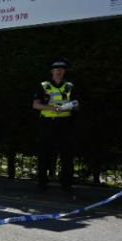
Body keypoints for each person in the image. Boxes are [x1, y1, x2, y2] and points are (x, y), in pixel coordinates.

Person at [32, 58, 80, 193]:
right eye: (56, 70)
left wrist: (69, 106)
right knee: (44, 154)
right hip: (47, 124)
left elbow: (77, 105)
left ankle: (66, 185)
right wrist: (52, 109)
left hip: (65, 125)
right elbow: (36, 104)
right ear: (52, 71)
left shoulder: (69, 86)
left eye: (61, 70)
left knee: (67, 156)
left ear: (64, 72)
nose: (59, 72)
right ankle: (42, 183)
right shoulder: (44, 86)